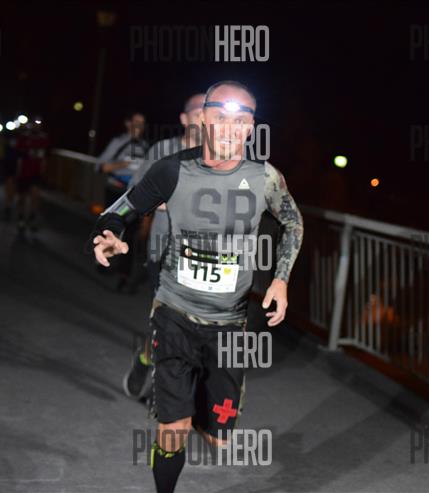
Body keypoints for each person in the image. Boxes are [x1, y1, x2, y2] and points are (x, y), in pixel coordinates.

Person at [91, 81, 304, 493]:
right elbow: (122, 209)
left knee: (218, 439)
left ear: (251, 128)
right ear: (203, 120)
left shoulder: (265, 177)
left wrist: (281, 279)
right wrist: (111, 233)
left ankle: (202, 403)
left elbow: (293, 222)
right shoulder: (172, 169)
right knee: (174, 427)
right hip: (174, 312)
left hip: (229, 324)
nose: (230, 129)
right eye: (220, 117)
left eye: (241, 121)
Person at [122, 93, 205, 401]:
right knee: (169, 323)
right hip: (165, 250)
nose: (204, 119)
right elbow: (136, 192)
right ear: (184, 119)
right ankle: (147, 359)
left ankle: (170, 383)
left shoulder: (223, 157)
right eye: (198, 112)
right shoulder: (163, 151)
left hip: (206, 257)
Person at [96, 112, 149, 290]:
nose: (139, 126)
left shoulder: (145, 147)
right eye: (136, 122)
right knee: (111, 230)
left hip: (133, 196)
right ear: (128, 123)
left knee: (131, 234)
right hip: (115, 191)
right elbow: (100, 166)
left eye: (142, 123)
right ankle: (104, 258)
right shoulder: (118, 142)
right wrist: (122, 165)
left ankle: (124, 275)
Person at [15, 120, 49, 233]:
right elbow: (18, 157)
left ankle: (32, 218)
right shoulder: (23, 138)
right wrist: (17, 172)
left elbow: (44, 158)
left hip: (36, 173)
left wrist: (43, 172)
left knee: (35, 195)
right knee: (22, 197)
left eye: (38, 124)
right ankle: (21, 218)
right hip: (23, 173)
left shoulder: (43, 138)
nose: (36, 126)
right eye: (34, 123)